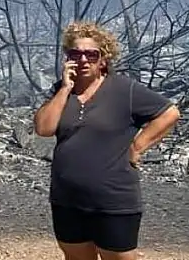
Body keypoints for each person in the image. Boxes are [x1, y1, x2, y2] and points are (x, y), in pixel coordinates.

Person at [33, 20, 181, 260]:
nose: (82, 60)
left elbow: (169, 113)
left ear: (103, 59)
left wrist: (138, 146)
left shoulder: (124, 90)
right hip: (67, 199)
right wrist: (64, 89)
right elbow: (43, 128)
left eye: (91, 54)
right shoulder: (61, 90)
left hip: (114, 200)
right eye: (75, 54)